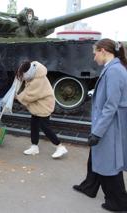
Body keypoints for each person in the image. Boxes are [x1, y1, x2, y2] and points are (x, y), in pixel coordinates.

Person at [73, 38, 127, 212]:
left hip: (110, 125)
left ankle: (118, 203)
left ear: (103, 50)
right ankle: (90, 186)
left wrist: (98, 132)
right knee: (98, 157)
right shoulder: (113, 68)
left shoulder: (114, 71)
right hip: (109, 123)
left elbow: (111, 105)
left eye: (95, 52)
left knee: (108, 163)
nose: (94, 56)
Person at [15, 60, 68, 159]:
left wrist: (17, 97)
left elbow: (29, 95)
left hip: (44, 104)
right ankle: (34, 146)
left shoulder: (37, 80)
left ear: (27, 73)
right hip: (38, 104)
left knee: (44, 126)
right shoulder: (33, 71)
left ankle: (60, 146)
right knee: (34, 124)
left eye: (22, 75)